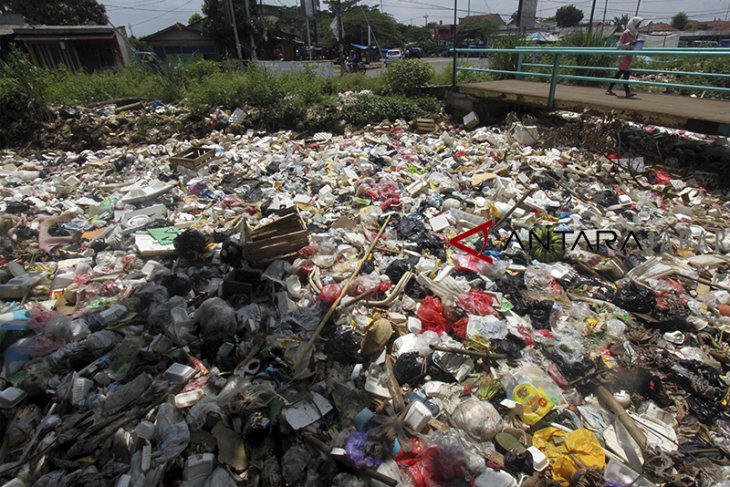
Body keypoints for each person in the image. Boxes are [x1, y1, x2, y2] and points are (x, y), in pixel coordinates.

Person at [606, 16, 643, 98]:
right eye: (637, 24)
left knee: (620, 73)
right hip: (623, 56)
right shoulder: (626, 33)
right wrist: (629, 44)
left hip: (629, 56)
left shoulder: (634, 34)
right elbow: (619, 45)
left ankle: (609, 89)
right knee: (626, 73)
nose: (638, 26)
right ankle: (627, 92)